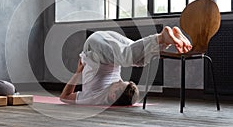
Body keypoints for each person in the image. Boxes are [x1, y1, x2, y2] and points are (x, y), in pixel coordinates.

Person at [60, 26, 192, 106]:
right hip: (107, 43)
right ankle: (166, 42)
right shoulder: (114, 92)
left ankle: (161, 38)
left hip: (95, 46)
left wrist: (78, 72)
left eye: (119, 83)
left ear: (112, 96)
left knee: (125, 58)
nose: (118, 80)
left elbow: (64, 97)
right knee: (138, 61)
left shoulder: (95, 98)